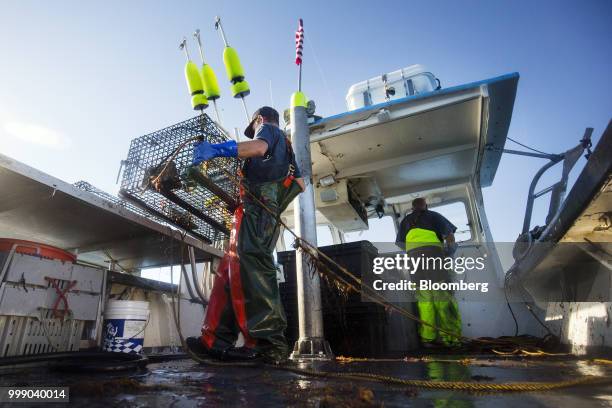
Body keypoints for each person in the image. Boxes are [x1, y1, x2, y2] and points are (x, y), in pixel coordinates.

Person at [186, 106, 304, 362]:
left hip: (257, 211)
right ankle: (215, 341)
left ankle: (268, 345)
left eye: (254, 130)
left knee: (251, 272)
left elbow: (258, 148)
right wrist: (267, 203)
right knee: (230, 273)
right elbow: (300, 184)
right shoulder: (289, 151)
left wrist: (216, 149)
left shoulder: (269, 129)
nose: (255, 135)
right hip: (260, 211)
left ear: (259, 120)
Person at [395, 197, 462, 348]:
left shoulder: (405, 222)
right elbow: (449, 236)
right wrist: (449, 251)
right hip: (434, 259)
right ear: (426, 206)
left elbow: (400, 244)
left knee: (424, 301)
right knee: (443, 298)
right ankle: (451, 339)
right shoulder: (433, 215)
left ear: (412, 208)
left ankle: (428, 339)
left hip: (415, 263)